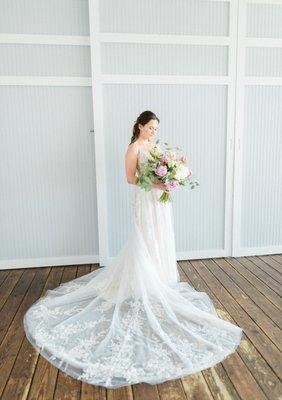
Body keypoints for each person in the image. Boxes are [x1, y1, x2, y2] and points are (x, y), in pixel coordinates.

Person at [23, 110, 243, 389]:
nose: (153, 132)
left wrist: (180, 168)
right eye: (150, 127)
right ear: (139, 126)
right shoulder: (134, 148)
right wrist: (158, 182)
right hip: (145, 200)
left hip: (160, 202)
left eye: (156, 128)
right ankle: (143, 281)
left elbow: (171, 168)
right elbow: (130, 179)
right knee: (145, 240)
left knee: (161, 239)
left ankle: (160, 279)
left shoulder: (156, 147)